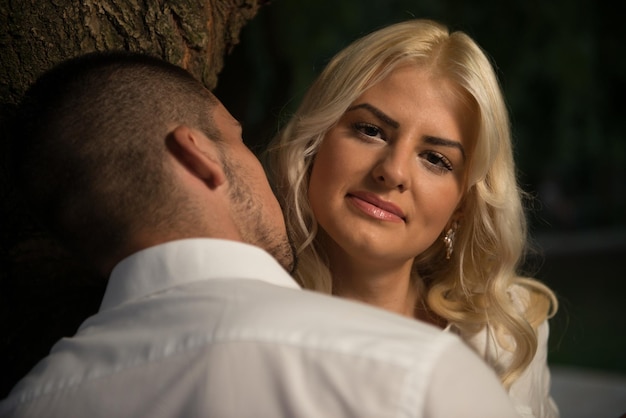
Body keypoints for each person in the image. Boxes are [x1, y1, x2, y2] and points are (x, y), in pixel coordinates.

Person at [0, 51, 519, 417]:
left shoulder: (31, 401)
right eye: (239, 138)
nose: (393, 171)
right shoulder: (414, 373)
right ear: (201, 157)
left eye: (435, 158)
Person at [267, 18, 559, 418]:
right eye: (371, 130)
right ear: (316, 141)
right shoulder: (248, 316)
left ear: (461, 206)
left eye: (436, 159)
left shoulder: (503, 332)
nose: (394, 171)